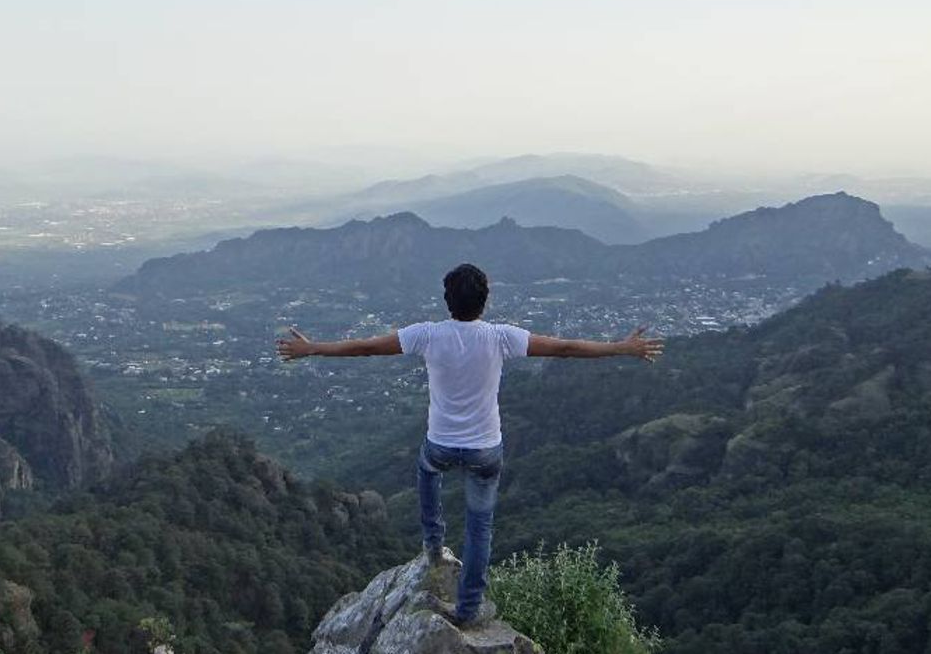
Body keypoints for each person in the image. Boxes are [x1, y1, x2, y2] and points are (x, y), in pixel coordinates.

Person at [276, 263, 663, 626]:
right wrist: (621, 347)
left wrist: (312, 349)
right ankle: (468, 607)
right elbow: (566, 349)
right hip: (484, 450)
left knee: (427, 470)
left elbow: (365, 348)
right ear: (485, 301)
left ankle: (433, 544)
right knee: (480, 527)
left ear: (447, 301)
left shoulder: (427, 334)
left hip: (440, 442)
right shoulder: (500, 337)